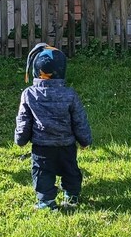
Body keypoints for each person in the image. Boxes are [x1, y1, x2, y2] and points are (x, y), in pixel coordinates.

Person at [14, 43, 92, 210]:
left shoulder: (29, 94)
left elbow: (23, 120)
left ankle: (46, 201)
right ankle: (71, 197)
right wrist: (85, 139)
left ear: (35, 70)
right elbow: (79, 120)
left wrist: (20, 139)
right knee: (70, 169)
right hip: (66, 145)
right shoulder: (70, 94)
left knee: (42, 173)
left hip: (42, 147)